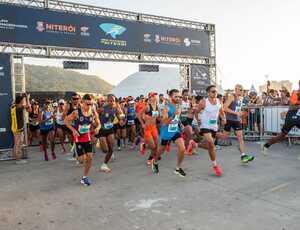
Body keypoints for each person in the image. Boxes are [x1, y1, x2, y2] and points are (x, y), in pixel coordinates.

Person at [188, 85, 226, 176]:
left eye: (216, 91)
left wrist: (224, 118)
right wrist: (198, 121)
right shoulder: (203, 102)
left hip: (214, 126)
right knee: (211, 144)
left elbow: (221, 111)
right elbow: (196, 112)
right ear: (208, 93)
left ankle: (194, 144)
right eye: (213, 91)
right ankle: (215, 166)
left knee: (209, 147)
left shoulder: (219, 101)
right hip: (205, 125)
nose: (215, 93)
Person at [64, 94, 100, 186]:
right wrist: (73, 130)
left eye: (91, 104)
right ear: (82, 103)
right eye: (87, 104)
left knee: (90, 157)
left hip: (87, 136)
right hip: (78, 137)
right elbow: (66, 121)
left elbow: (98, 123)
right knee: (81, 160)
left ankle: (85, 177)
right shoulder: (76, 112)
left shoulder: (93, 112)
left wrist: (97, 128)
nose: (89, 106)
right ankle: (76, 153)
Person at [152, 89, 186, 177]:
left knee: (182, 148)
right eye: (176, 96)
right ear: (170, 97)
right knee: (161, 150)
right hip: (166, 131)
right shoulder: (166, 107)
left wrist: (180, 124)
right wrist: (173, 115)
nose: (178, 98)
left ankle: (178, 168)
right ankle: (155, 161)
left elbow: (177, 118)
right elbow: (164, 122)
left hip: (175, 130)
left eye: (179, 96)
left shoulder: (178, 106)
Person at [263, 81, 300, 152]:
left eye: (282, 91)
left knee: (282, 136)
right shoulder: (295, 93)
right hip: (292, 116)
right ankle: (267, 144)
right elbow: (292, 107)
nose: (281, 92)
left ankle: (267, 145)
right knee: (282, 136)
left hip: (297, 116)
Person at [223, 84, 255, 163]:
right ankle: (213, 136)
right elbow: (224, 107)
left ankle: (243, 156)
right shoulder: (231, 97)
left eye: (242, 90)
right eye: (239, 89)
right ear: (235, 89)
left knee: (240, 138)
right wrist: (235, 113)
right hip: (229, 119)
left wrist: (240, 115)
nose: (241, 91)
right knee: (224, 136)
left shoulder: (241, 98)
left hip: (236, 120)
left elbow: (238, 109)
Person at [96, 94, 122, 172]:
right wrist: (96, 124)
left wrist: (121, 120)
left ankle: (104, 165)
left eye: (113, 101)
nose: (111, 102)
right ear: (107, 101)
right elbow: (94, 115)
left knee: (111, 148)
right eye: (110, 101)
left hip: (110, 129)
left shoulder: (115, 108)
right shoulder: (102, 109)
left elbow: (119, 115)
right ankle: (99, 143)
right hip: (102, 130)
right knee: (105, 150)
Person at [138, 92, 160, 166]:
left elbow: (159, 117)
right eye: (153, 96)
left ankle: (150, 157)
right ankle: (149, 156)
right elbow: (138, 115)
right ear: (150, 98)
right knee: (153, 146)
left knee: (156, 146)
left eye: (155, 96)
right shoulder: (147, 107)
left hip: (154, 127)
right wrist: (142, 124)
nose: (155, 97)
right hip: (147, 128)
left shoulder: (157, 106)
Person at [11, 93, 31, 164]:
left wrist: (22, 97)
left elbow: (14, 102)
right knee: (18, 143)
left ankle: (16, 157)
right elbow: (29, 108)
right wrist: (27, 98)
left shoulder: (13, 107)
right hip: (17, 129)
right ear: (20, 101)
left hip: (16, 128)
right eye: (23, 100)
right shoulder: (19, 108)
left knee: (19, 142)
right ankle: (18, 159)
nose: (23, 101)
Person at [180, 89, 195, 154]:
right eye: (185, 95)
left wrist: (193, 109)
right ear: (182, 95)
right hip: (182, 120)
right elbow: (178, 113)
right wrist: (180, 124)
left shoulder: (189, 102)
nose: (186, 96)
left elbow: (191, 111)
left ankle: (188, 149)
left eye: (187, 95)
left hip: (189, 120)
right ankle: (186, 149)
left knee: (189, 135)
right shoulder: (180, 102)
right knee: (190, 134)